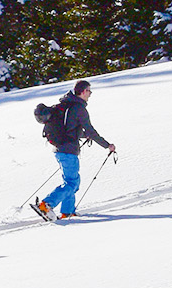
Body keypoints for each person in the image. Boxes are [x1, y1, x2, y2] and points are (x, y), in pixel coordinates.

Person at [31, 79, 119, 222]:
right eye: (89, 91)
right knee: (72, 183)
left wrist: (83, 135)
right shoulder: (79, 108)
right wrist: (107, 145)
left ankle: (67, 212)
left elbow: (70, 128)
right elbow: (91, 131)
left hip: (61, 148)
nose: (90, 94)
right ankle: (46, 205)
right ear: (83, 91)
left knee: (71, 181)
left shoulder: (67, 104)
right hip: (67, 150)